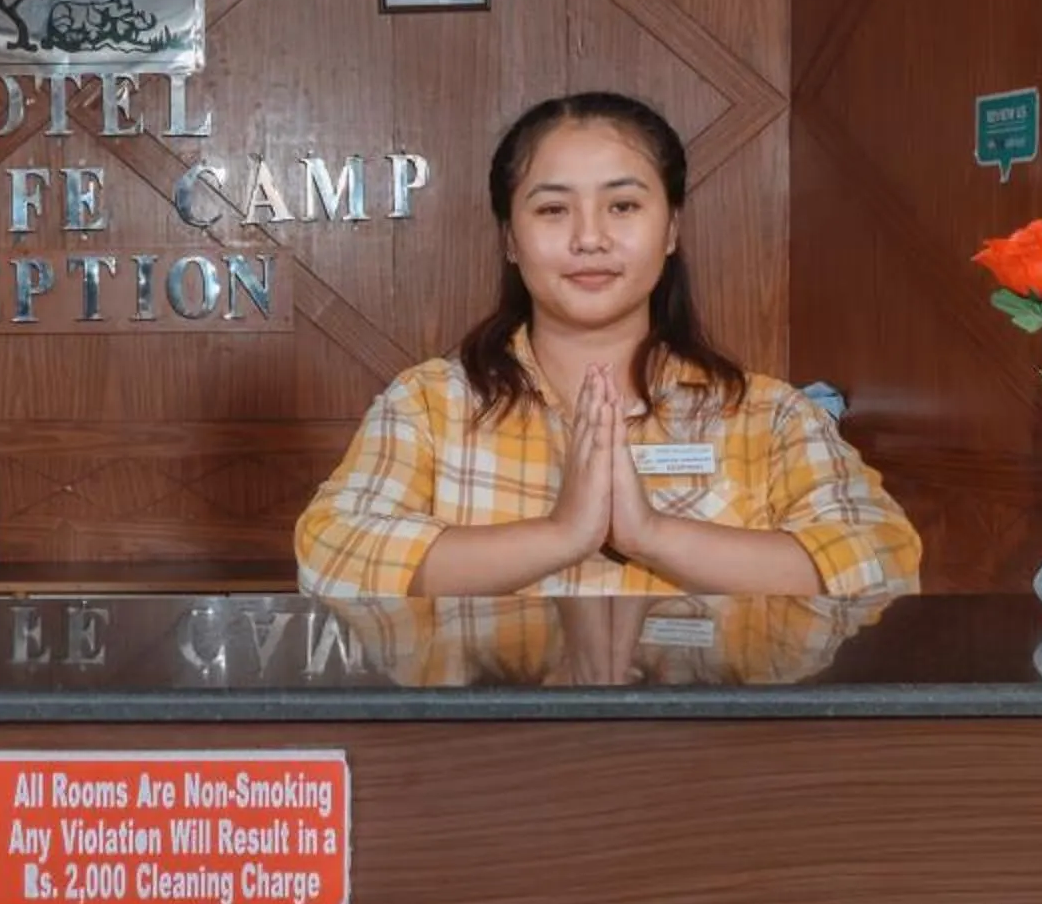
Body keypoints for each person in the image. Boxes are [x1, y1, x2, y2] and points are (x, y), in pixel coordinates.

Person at [295, 91, 921, 599]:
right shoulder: (429, 405)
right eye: (552, 211)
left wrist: (651, 536)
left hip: (708, 752)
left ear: (671, 228)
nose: (590, 238)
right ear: (510, 239)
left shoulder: (767, 414)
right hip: (487, 753)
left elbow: (885, 563)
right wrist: (562, 535)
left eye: (623, 206)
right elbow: (331, 556)